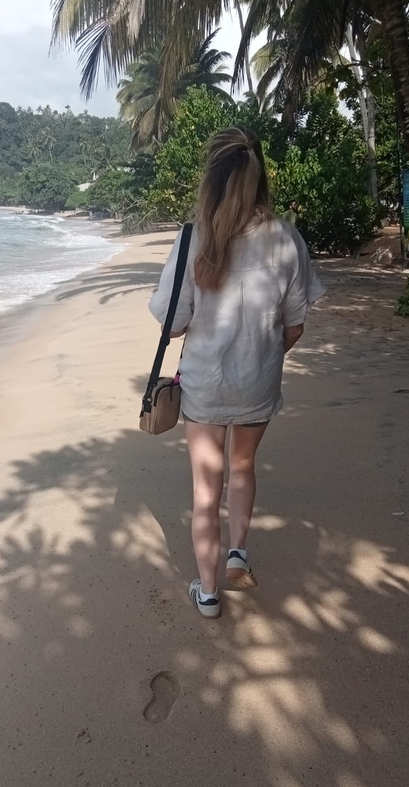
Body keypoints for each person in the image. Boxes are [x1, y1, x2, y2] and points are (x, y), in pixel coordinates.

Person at [149, 127, 324, 619]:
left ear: (212, 178)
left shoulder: (194, 239)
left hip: (205, 382)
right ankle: (237, 554)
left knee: (206, 487)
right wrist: (263, 355)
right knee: (243, 466)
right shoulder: (285, 237)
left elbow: (173, 321)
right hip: (259, 380)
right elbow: (295, 326)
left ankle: (207, 594)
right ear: (258, 176)